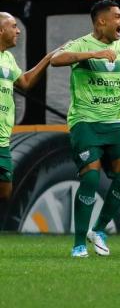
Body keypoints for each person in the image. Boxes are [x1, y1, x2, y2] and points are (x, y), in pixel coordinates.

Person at [50, 0, 120, 257]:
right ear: (102, 21)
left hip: (115, 122)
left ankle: (98, 230)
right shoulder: (81, 44)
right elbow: (56, 59)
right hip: (85, 121)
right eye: (118, 17)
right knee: (91, 175)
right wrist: (92, 54)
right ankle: (79, 244)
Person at [0, 12, 57, 227]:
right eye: (13, 26)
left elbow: (24, 82)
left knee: (5, 191)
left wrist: (48, 57)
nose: (18, 30)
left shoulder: (7, 58)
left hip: (3, 137)